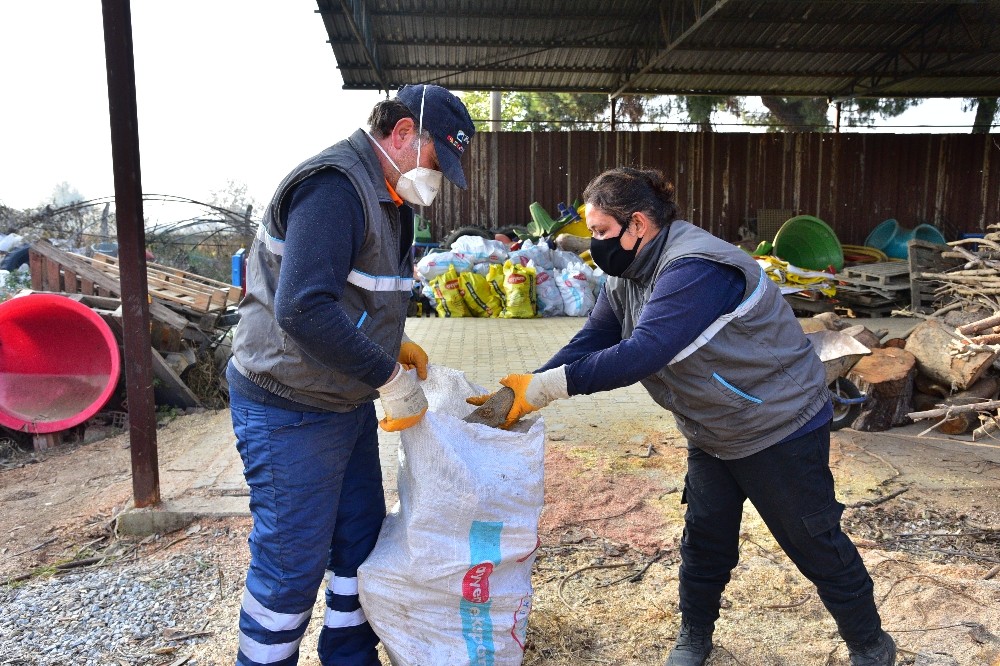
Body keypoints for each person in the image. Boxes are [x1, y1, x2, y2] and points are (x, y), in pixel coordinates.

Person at [468, 167, 896, 666]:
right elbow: (593, 339)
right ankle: (694, 638)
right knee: (705, 540)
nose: (595, 245)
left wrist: (547, 389)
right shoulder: (627, 274)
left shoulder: (694, 268)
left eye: (602, 232)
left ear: (639, 226)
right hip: (713, 428)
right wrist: (520, 388)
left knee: (812, 540)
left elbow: (644, 352)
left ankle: (870, 645)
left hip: (776, 424)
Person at [228, 83, 475, 666]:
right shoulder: (335, 188)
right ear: (404, 134)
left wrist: (397, 342)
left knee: (360, 539)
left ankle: (348, 655)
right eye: (438, 160)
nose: (437, 177)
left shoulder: (388, 197)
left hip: (342, 399)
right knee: (292, 563)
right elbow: (302, 308)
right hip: (287, 402)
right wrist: (389, 376)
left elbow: (356, 295)